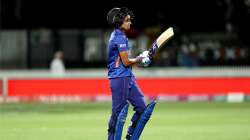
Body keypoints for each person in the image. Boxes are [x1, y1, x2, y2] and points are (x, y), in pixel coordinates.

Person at [106, 7, 156, 140]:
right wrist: (140, 59)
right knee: (118, 114)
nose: (130, 23)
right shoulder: (118, 37)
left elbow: (127, 61)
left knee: (142, 109)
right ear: (119, 22)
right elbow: (126, 61)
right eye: (127, 20)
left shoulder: (121, 36)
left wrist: (139, 59)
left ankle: (130, 136)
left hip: (127, 76)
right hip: (119, 78)